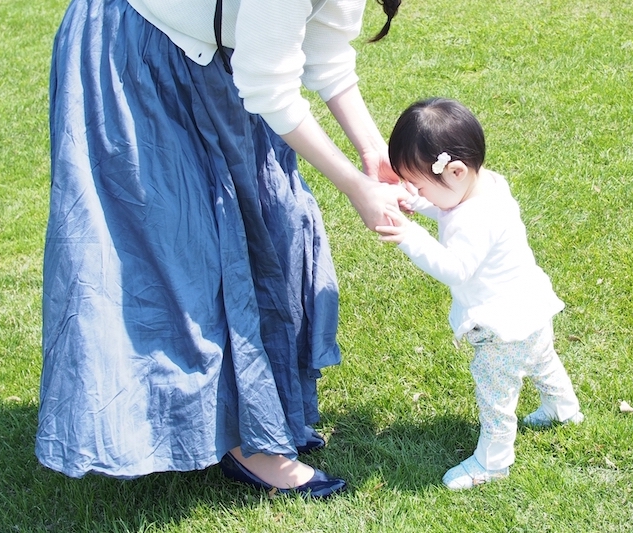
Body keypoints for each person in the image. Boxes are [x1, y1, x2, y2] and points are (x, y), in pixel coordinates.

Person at [36, 0, 406, 499]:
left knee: (266, 225)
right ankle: (242, 445)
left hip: (208, 57)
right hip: (132, 49)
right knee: (181, 249)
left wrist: (371, 152)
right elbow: (268, 86)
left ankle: (256, 421)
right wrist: (356, 189)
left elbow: (325, 49)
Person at [376, 98, 584, 490]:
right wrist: (418, 201)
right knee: (542, 360)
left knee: (496, 396)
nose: (416, 190)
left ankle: (493, 462)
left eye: (419, 183)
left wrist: (408, 235)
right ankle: (563, 408)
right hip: (529, 307)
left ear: (454, 171)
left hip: (500, 325)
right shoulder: (485, 184)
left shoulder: (475, 218)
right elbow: (448, 206)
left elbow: (455, 268)